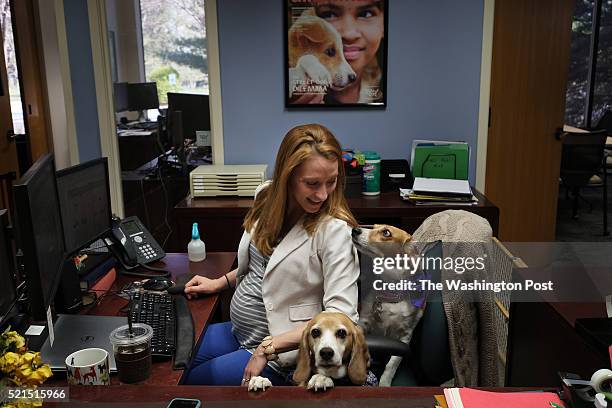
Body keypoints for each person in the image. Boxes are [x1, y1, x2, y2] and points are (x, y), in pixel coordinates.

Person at [183, 124, 360, 386]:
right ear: (287, 176)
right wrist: (221, 282)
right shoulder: (266, 197)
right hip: (240, 331)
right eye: (312, 183)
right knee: (175, 360)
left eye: (331, 182)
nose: (323, 194)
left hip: (280, 353)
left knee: (192, 383)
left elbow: (342, 316)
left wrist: (269, 347)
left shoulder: (334, 232)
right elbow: (262, 264)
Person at [290, 0, 385, 105]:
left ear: (384, 25)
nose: (349, 34)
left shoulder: (382, 86)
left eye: (366, 14)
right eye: (329, 14)